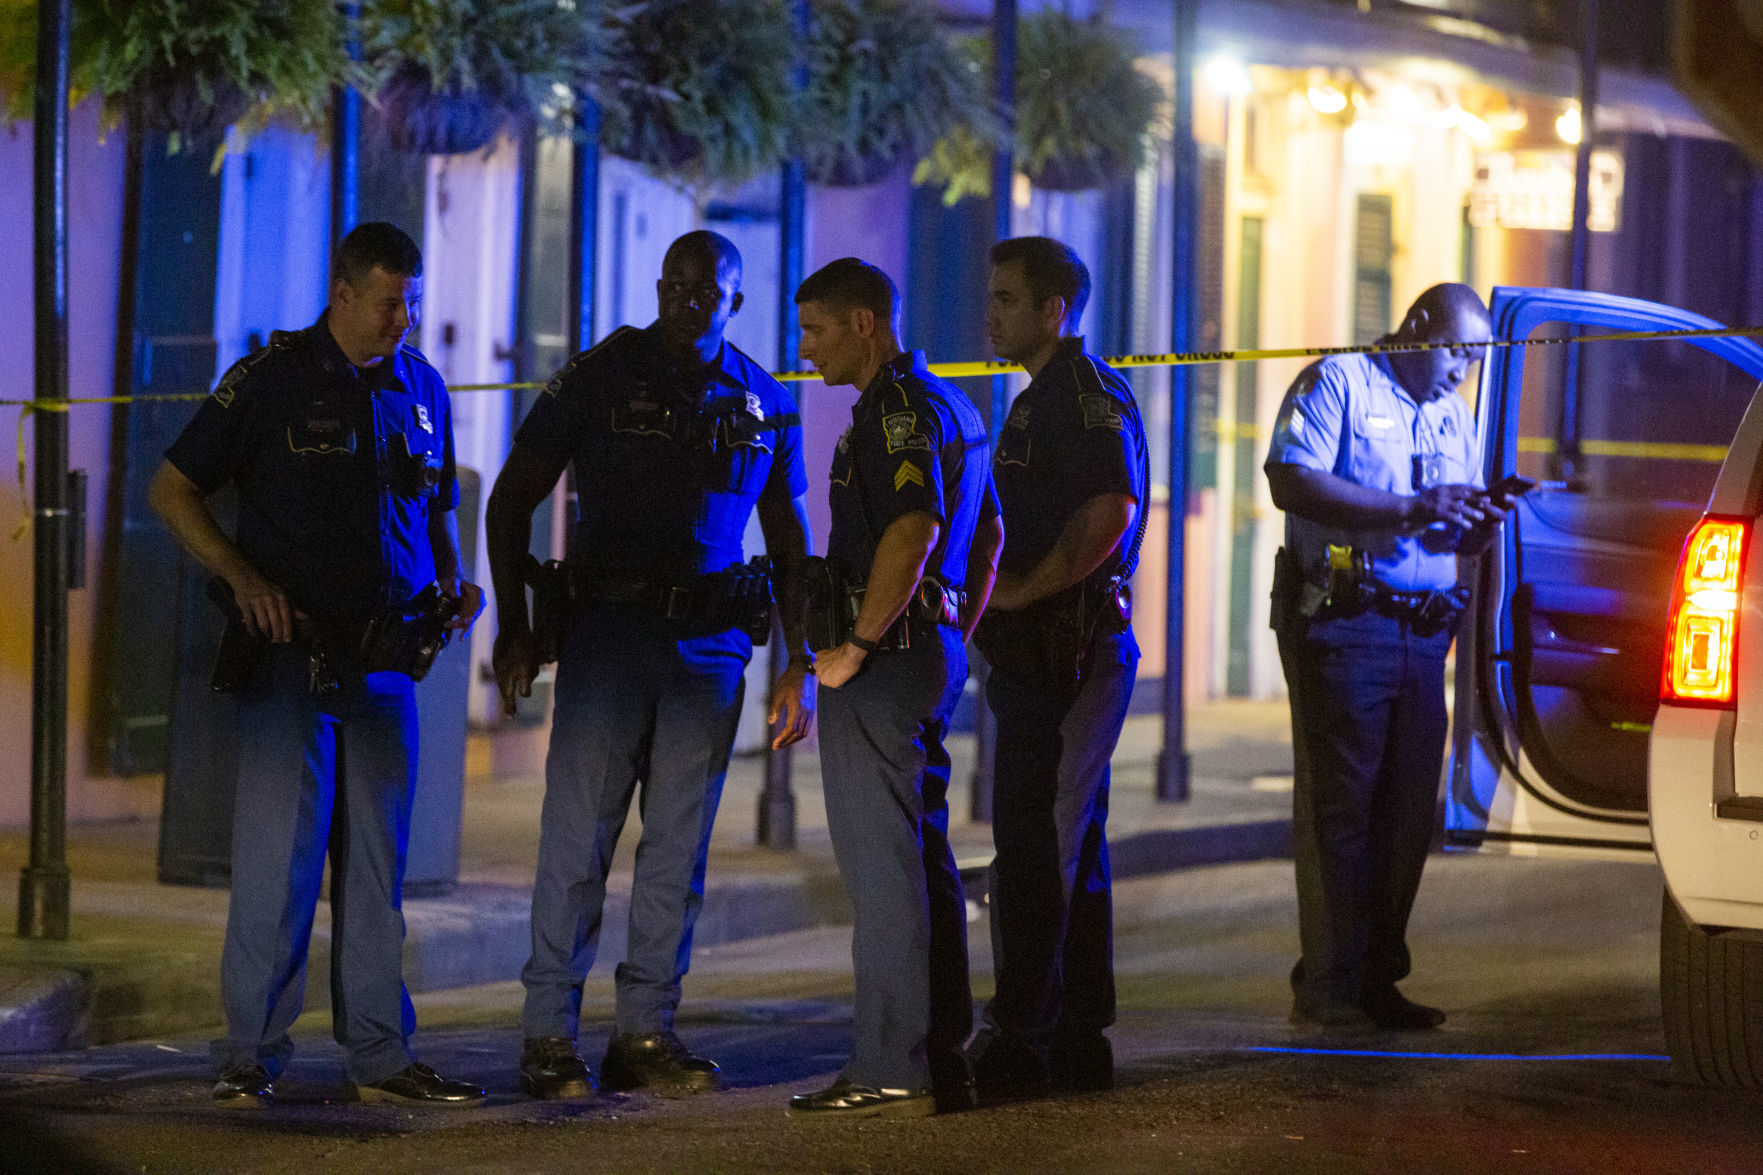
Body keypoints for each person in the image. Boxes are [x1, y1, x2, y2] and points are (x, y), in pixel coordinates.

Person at [148, 222, 487, 1108]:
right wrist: (238, 572)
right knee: (278, 867)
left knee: (380, 870)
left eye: (411, 300)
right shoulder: (270, 380)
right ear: (341, 293)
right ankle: (248, 1052)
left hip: (388, 666)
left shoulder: (421, 386)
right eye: (388, 301)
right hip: (292, 664)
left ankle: (380, 1053)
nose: (403, 318)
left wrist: (456, 581)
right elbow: (172, 487)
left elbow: (437, 505)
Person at [487, 230, 814, 1101]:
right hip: (608, 637)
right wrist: (513, 624)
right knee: (576, 842)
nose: (684, 298)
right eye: (672, 283)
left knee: (676, 851)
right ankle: (547, 1036)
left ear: (734, 302)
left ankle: (644, 1032)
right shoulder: (599, 375)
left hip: (708, 650)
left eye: (704, 289)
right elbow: (510, 496)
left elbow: (788, 540)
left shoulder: (766, 400)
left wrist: (799, 659)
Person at [1265, 282, 1515, 1032]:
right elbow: (1291, 478)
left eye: (1475, 358)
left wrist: (1473, 520)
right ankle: (1330, 985)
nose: (1464, 370)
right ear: (1417, 327)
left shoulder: (1451, 413)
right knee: (1339, 809)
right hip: (1347, 624)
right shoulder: (1336, 381)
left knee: (1407, 813)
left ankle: (1376, 975)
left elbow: (1446, 521)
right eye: (1457, 351)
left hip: (1421, 632)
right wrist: (1412, 507)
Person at [785, 258, 1002, 1120]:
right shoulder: (950, 405)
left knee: (881, 873)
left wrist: (859, 644)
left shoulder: (895, 413)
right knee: (920, 859)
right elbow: (988, 537)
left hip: (885, 660)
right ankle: (937, 1052)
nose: (805, 349)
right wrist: (955, 631)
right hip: (928, 649)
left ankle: (890, 1063)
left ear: (865, 323)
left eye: (817, 330)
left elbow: (915, 528)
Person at [967, 237, 1147, 1099]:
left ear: (1053, 312)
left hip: (1066, 657)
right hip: (1041, 660)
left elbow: (1112, 508)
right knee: (1067, 846)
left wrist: (1023, 590)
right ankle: (1075, 1034)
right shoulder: (1042, 398)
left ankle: (1021, 1040)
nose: (989, 312)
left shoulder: (1082, 395)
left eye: (1005, 299)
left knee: (1036, 849)